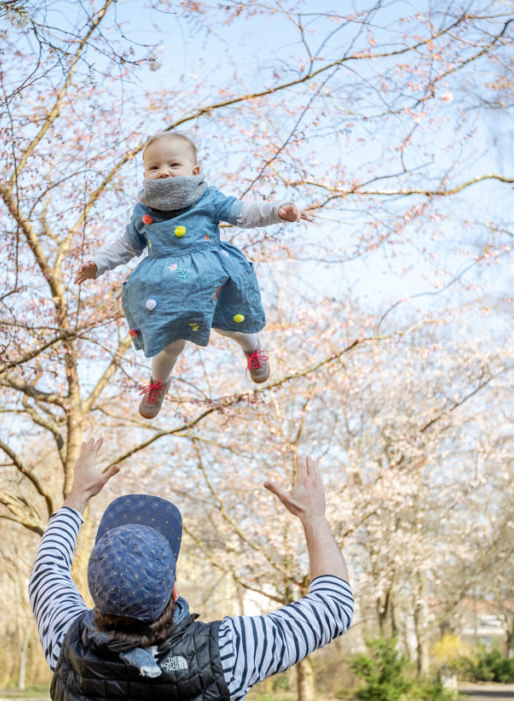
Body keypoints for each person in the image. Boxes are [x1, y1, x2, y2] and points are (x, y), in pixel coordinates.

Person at [29, 438, 353, 700]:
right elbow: (334, 606)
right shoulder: (227, 652)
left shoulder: (67, 641)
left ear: (95, 586)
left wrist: (78, 495)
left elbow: (48, 568)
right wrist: (313, 517)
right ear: (173, 590)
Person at [74, 132, 312, 418]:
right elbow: (127, 245)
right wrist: (98, 264)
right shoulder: (145, 209)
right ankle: (159, 383)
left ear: (194, 171)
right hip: (166, 286)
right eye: (154, 167)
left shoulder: (206, 198)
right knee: (169, 342)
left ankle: (253, 349)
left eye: (173, 165)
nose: (163, 172)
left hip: (208, 276)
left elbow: (243, 212)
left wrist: (278, 211)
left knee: (228, 325)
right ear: (145, 173)